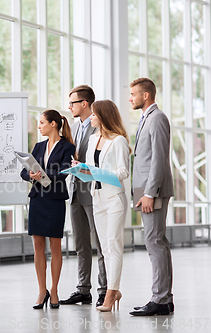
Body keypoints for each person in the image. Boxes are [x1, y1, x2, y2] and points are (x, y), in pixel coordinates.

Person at [20, 109, 76, 309]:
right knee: (38, 247)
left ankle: (54, 290)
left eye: (42, 122)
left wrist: (42, 174)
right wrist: (31, 176)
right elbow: (23, 172)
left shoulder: (68, 147)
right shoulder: (38, 146)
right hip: (37, 199)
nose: (39, 126)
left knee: (54, 246)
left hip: (54, 200)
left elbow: (63, 172)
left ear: (53, 124)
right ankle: (41, 290)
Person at [128, 78, 174, 316]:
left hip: (152, 190)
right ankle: (164, 299)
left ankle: (160, 299)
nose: (130, 98)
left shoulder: (157, 118)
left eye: (133, 94)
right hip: (146, 190)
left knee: (154, 242)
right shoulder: (146, 118)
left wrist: (149, 193)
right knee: (157, 242)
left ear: (146, 95)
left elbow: (159, 159)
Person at [80, 100, 130, 312]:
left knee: (113, 245)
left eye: (93, 114)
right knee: (104, 248)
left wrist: (96, 173)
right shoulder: (92, 140)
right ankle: (114, 289)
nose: (90, 117)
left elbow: (123, 173)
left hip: (114, 199)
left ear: (103, 116)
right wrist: (81, 170)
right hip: (97, 197)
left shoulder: (118, 141)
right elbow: (91, 169)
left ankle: (110, 293)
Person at [61, 85, 107, 307]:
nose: (69, 107)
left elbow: (101, 160)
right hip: (75, 192)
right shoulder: (74, 128)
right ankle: (83, 289)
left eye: (73, 103)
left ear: (84, 104)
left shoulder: (100, 127)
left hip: (92, 191)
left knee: (100, 243)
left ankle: (104, 289)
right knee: (81, 244)